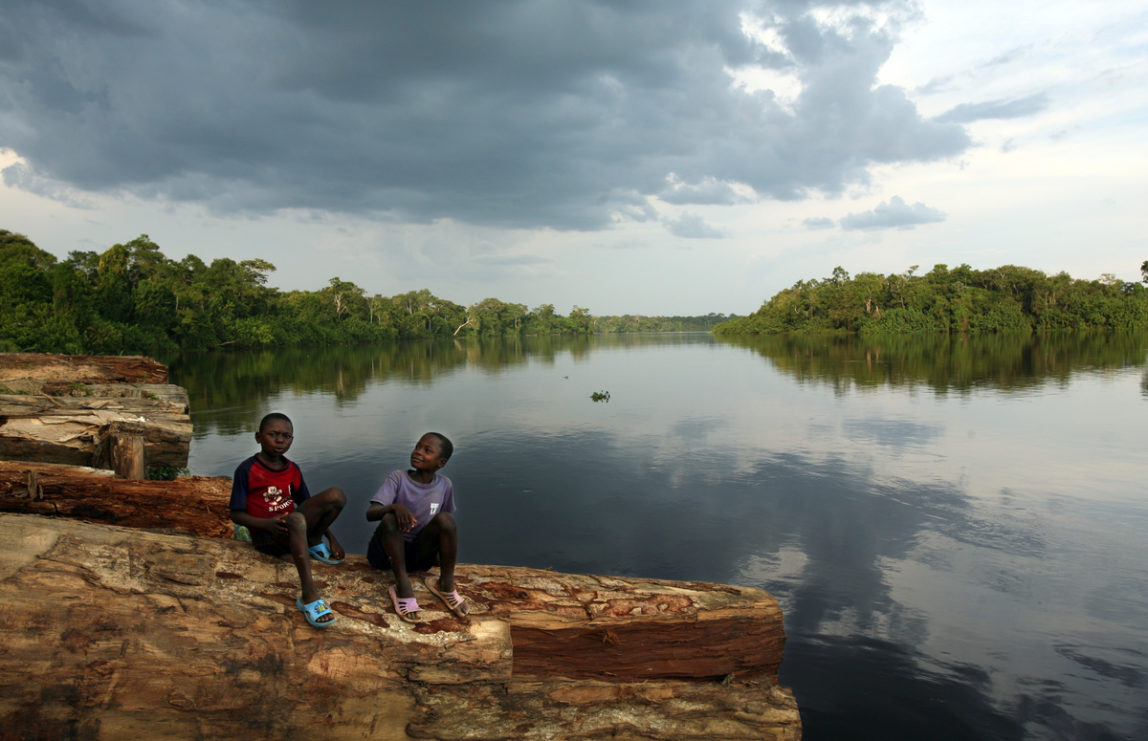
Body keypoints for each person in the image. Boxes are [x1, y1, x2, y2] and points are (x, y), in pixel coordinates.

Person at [229, 412, 347, 628]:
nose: (280, 440)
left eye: (286, 436)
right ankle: (309, 595)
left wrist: (331, 537)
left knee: (335, 496)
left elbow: (308, 503)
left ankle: (313, 541)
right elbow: (235, 514)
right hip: (268, 536)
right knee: (295, 519)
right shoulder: (247, 470)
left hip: (293, 527)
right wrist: (268, 524)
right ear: (258, 437)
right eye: (272, 434)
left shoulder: (292, 469)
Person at [367, 432, 467, 622]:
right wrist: (395, 507)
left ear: (441, 462)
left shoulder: (445, 485)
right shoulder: (398, 478)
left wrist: (438, 554)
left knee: (447, 520)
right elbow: (371, 513)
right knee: (388, 518)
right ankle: (402, 588)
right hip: (385, 556)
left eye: (427, 450)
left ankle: (446, 585)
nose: (418, 452)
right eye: (417, 447)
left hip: (418, 557)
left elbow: (443, 525)